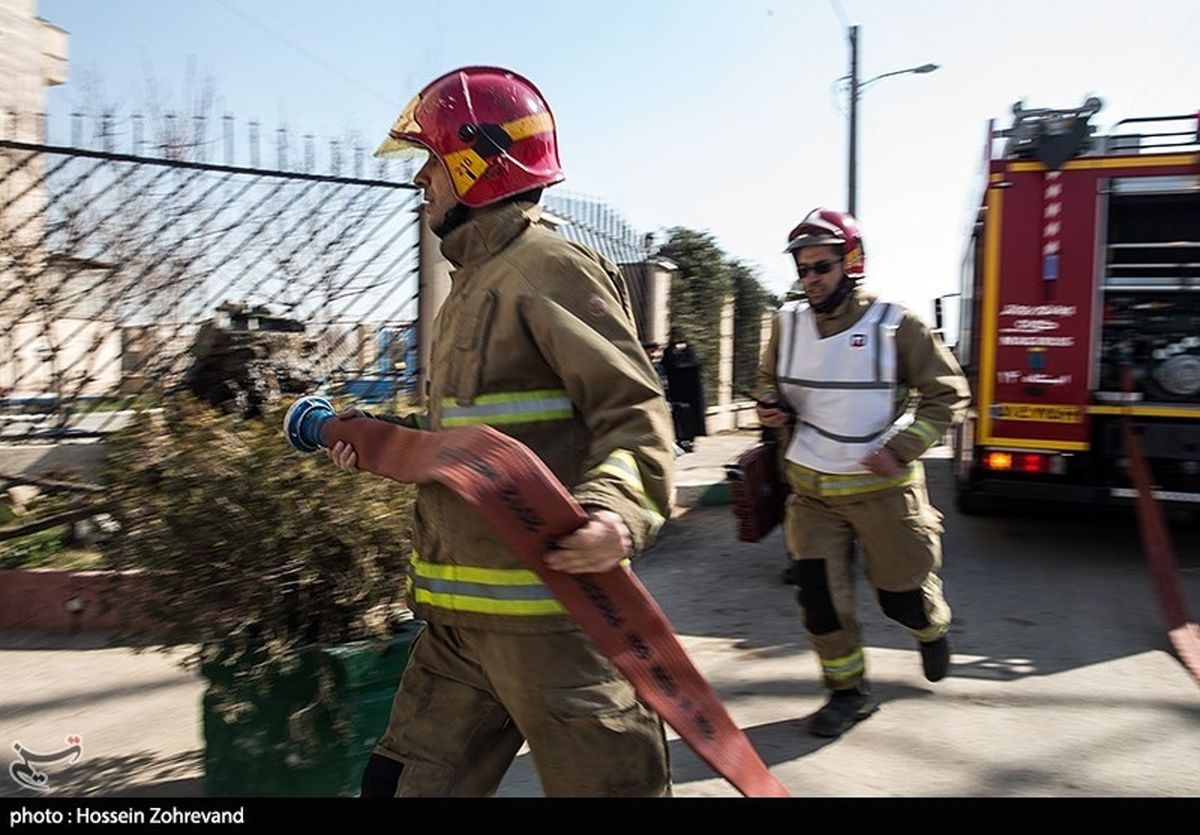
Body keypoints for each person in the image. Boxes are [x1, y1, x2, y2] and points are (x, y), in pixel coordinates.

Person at [327, 66, 676, 796]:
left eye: (432, 160)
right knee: (395, 786)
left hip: (554, 628)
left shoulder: (548, 267)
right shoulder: (472, 283)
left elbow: (632, 411)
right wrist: (387, 442)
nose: (421, 179)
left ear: (477, 162)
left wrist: (616, 509)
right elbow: (477, 442)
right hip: (458, 630)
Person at [755, 207, 969, 738]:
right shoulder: (786, 324)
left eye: (821, 267)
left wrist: (902, 448)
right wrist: (770, 405)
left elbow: (949, 396)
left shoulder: (897, 324)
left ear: (851, 264)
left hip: (883, 492)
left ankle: (931, 626)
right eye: (803, 270)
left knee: (901, 597)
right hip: (810, 494)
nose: (810, 280)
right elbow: (768, 382)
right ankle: (849, 693)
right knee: (820, 600)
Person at [661, 328, 707, 453]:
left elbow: (693, 365)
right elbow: (668, 365)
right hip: (678, 391)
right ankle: (682, 440)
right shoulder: (670, 352)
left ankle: (689, 441)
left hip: (690, 391)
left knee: (690, 417)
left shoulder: (689, 351)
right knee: (680, 416)